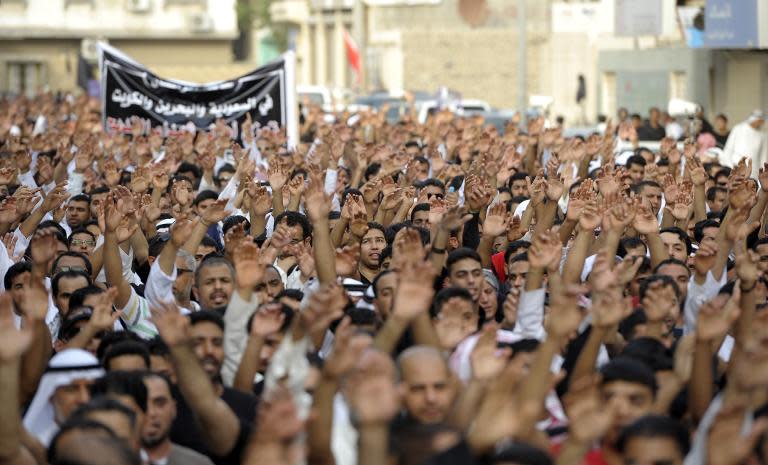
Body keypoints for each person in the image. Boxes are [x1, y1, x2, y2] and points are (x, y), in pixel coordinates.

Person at [23, 348, 105, 446]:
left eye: (90, 388)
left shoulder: (113, 443)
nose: (84, 399)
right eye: (72, 389)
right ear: (50, 396)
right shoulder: (36, 447)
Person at [722, 110, 767, 176]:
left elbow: (763, 157)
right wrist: (729, 167)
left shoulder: (763, 135)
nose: (760, 123)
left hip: (754, 172)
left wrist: (763, 172)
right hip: (735, 167)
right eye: (759, 120)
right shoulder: (738, 129)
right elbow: (728, 149)